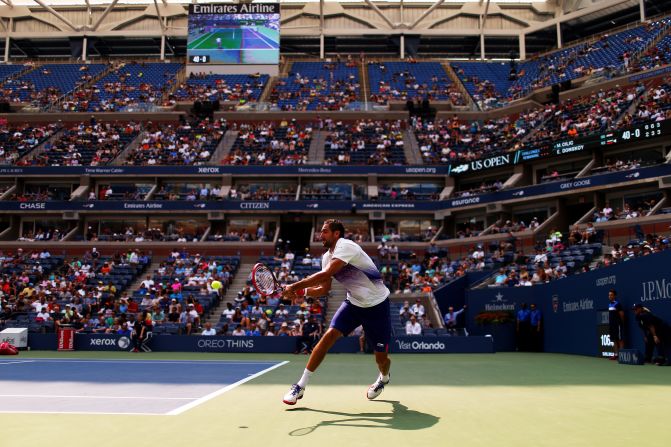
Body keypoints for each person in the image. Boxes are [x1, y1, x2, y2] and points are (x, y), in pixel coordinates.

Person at [281, 219, 391, 405]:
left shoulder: (346, 246)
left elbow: (325, 275)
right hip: (354, 303)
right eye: (320, 232)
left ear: (336, 234)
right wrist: (303, 292)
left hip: (377, 305)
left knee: (381, 358)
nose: (320, 235)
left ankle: (384, 377)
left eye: (324, 232)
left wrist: (294, 285)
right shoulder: (326, 257)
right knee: (328, 336)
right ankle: (300, 385)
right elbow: (324, 289)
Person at [608, 289, 625, 359]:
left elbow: (622, 314)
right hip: (612, 325)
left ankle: (622, 355)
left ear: (615, 296)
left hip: (618, 325)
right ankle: (616, 354)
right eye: (609, 295)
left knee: (620, 339)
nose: (610, 296)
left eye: (611, 295)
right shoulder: (609, 304)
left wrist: (622, 323)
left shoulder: (617, 304)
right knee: (614, 339)